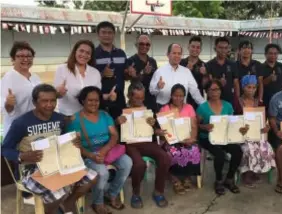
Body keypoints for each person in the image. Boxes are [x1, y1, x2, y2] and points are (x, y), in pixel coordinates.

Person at [1, 84, 97, 214]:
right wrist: (22, 156)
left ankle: (68, 203)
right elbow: (5, 149)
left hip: (57, 164)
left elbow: (63, 141)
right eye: (44, 101)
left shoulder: (59, 118)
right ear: (35, 102)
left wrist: (73, 142)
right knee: (58, 192)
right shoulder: (21, 123)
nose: (49, 105)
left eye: (53, 100)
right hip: (30, 170)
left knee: (92, 176)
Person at [66, 86, 132, 214]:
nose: (93, 103)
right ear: (83, 101)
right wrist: (91, 155)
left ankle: (112, 194)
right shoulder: (75, 120)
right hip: (87, 154)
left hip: (108, 150)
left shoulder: (104, 115)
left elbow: (114, 135)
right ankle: (98, 202)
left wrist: (104, 150)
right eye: (90, 100)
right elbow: (75, 146)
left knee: (127, 163)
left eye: (96, 100)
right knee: (102, 172)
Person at [118, 82, 171, 208]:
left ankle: (158, 191)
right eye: (136, 98)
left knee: (165, 158)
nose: (140, 101)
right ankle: (136, 193)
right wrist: (117, 122)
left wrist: (155, 127)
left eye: (142, 98)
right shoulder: (121, 109)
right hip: (130, 143)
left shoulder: (149, 108)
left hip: (147, 141)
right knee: (139, 164)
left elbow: (157, 130)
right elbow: (115, 132)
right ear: (129, 96)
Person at [196, 80, 242, 195]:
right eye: (212, 89)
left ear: (221, 91)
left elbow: (232, 122)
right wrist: (204, 126)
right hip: (207, 138)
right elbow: (196, 125)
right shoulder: (202, 107)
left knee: (237, 151)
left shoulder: (227, 105)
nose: (215, 92)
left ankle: (229, 179)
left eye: (217, 89)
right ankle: (218, 180)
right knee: (219, 154)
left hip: (224, 137)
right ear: (207, 91)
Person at [159, 84, 200, 195]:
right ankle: (174, 179)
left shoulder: (189, 108)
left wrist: (192, 138)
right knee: (174, 152)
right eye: (176, 96)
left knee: (194, 150)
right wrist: (175, 139)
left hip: (187, 139)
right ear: (171, 96)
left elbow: (194, 126)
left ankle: (187, 177)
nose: (178, 98)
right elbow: (164, 132)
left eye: (181, 96)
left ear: (184, 96)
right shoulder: (165, 109)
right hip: (170, 141)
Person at [235, 75, 275, 188]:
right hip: (242, 135)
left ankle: (255, 171)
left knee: (266, 147)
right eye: (248, 87)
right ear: (243, 87)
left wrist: (266, 127)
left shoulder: (259, 102)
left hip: (257, 134)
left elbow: (263, 120)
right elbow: (233, 120)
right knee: (248, 149)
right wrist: (240, 127)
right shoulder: (237, 102)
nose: (251, 90)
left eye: (254, 87)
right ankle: (246, 174)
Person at [94, 21, 135, 120]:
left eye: (110, 32)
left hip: (119, 97)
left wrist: (129, 73)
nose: (107, 35)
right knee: (104, 127)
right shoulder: (93, 54)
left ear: (113, 34)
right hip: (101, 97)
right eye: (103, 32)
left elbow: (125, 76)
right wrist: (102, 74)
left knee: (121, 125)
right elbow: (87, 76)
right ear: (98, 35)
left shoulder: (121, 53)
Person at [1, 41, 42, 136]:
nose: (25, 59)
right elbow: (4, 107)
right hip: (17, 129)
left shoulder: (35, 77)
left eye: (29, 56)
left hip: (34, 127)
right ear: (13, 59)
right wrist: (8, 104)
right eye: (21, 56)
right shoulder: (8, 78)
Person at [149, 43, 205, 111]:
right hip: (163, 109)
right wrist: (158, 86)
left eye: (179, 53)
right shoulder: (159, 72)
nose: (177, 56)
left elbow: (195, 92)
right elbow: (152, 91)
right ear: (168, 54)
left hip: (181, 110)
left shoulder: (186, 72)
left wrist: (205, 105)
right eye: (174, 53)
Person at [54, 40, 102, 117]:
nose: (84, 55)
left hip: (89, 116)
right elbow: (56, 95)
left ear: (91, 56)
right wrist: (59, 93)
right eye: (81, 51)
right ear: (75, 52)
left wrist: (108, 96)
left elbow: (96, 95)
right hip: (69, 116)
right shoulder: (62, 69)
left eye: (88, 53)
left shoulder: (95, 72)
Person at [127, 34, 158, 112]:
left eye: (147, 44)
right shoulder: (131, 61)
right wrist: (143, 73)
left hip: (151, 100)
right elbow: (132, 81)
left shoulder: (152, 61)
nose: (144, 46)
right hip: (137, 100)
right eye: (141, 44)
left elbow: (156, 80)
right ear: (136, 45)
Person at [206, 37, 240, 104]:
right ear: (215, 49)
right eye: (220, 47)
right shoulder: (208, 64)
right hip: (213, 101)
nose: (223, 50)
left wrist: (237, 99)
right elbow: (208, 84)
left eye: (225, 48)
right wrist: (218, 82)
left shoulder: (233, 64)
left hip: (230, 100)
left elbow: (236, 83)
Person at [180, 36, 209, 110]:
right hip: (181, 99)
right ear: (188, 47)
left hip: (198, 101)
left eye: (198, 47)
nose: (195, 49)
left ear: (201, 49)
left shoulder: (204, 65)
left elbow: (205, 87)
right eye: (193, 46)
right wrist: (186, 71)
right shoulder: (181, 63)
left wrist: (205, 75)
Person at [260, 43, 282, 110]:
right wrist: (269, 79)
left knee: (279, 119)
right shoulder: (260, 67)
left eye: (275, 53)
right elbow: (258, 84)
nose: (273, 55)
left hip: (280, 99)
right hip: (264, 99)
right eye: (270, 53)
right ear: (265, 54)